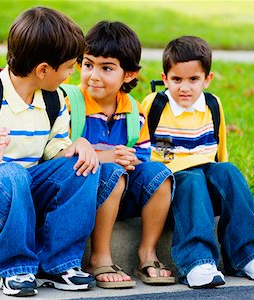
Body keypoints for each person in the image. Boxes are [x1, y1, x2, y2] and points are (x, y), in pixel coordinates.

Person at [0, 7, 127, 297]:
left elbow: (53, 150)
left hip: (23, 185)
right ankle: (16, 267)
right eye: (70, 67)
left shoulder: (53, 99)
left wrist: (75, 147)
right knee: (11, 174)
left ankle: (60, 263)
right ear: (43, 70)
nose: (73, 74)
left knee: (84, 165)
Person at [141, 35, 254, 288]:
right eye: (177, 79)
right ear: (164, 79)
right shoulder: (155, 105)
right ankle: (197, 261)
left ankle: (248, 255)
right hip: (173, 183)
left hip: (206, 177)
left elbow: (220, 151)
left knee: (228, 171)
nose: (185, 88)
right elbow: (143, 152)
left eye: (193, 79)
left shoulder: (213, 104)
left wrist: (221, 177)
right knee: (192, 178)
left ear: (207, 79)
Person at [63, 21, 175, 288]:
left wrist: (131, 159)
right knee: (112, 172)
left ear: (129, 75)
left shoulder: (134, 111)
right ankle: (99, 257)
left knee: (161, 175)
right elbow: (57, 157)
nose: (94, 75)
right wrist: (106, 158)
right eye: (88, 65)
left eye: (107, 68)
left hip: (122, 193)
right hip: (83, 193)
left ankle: (147, 253)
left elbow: (142, 156)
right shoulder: (69, 104)